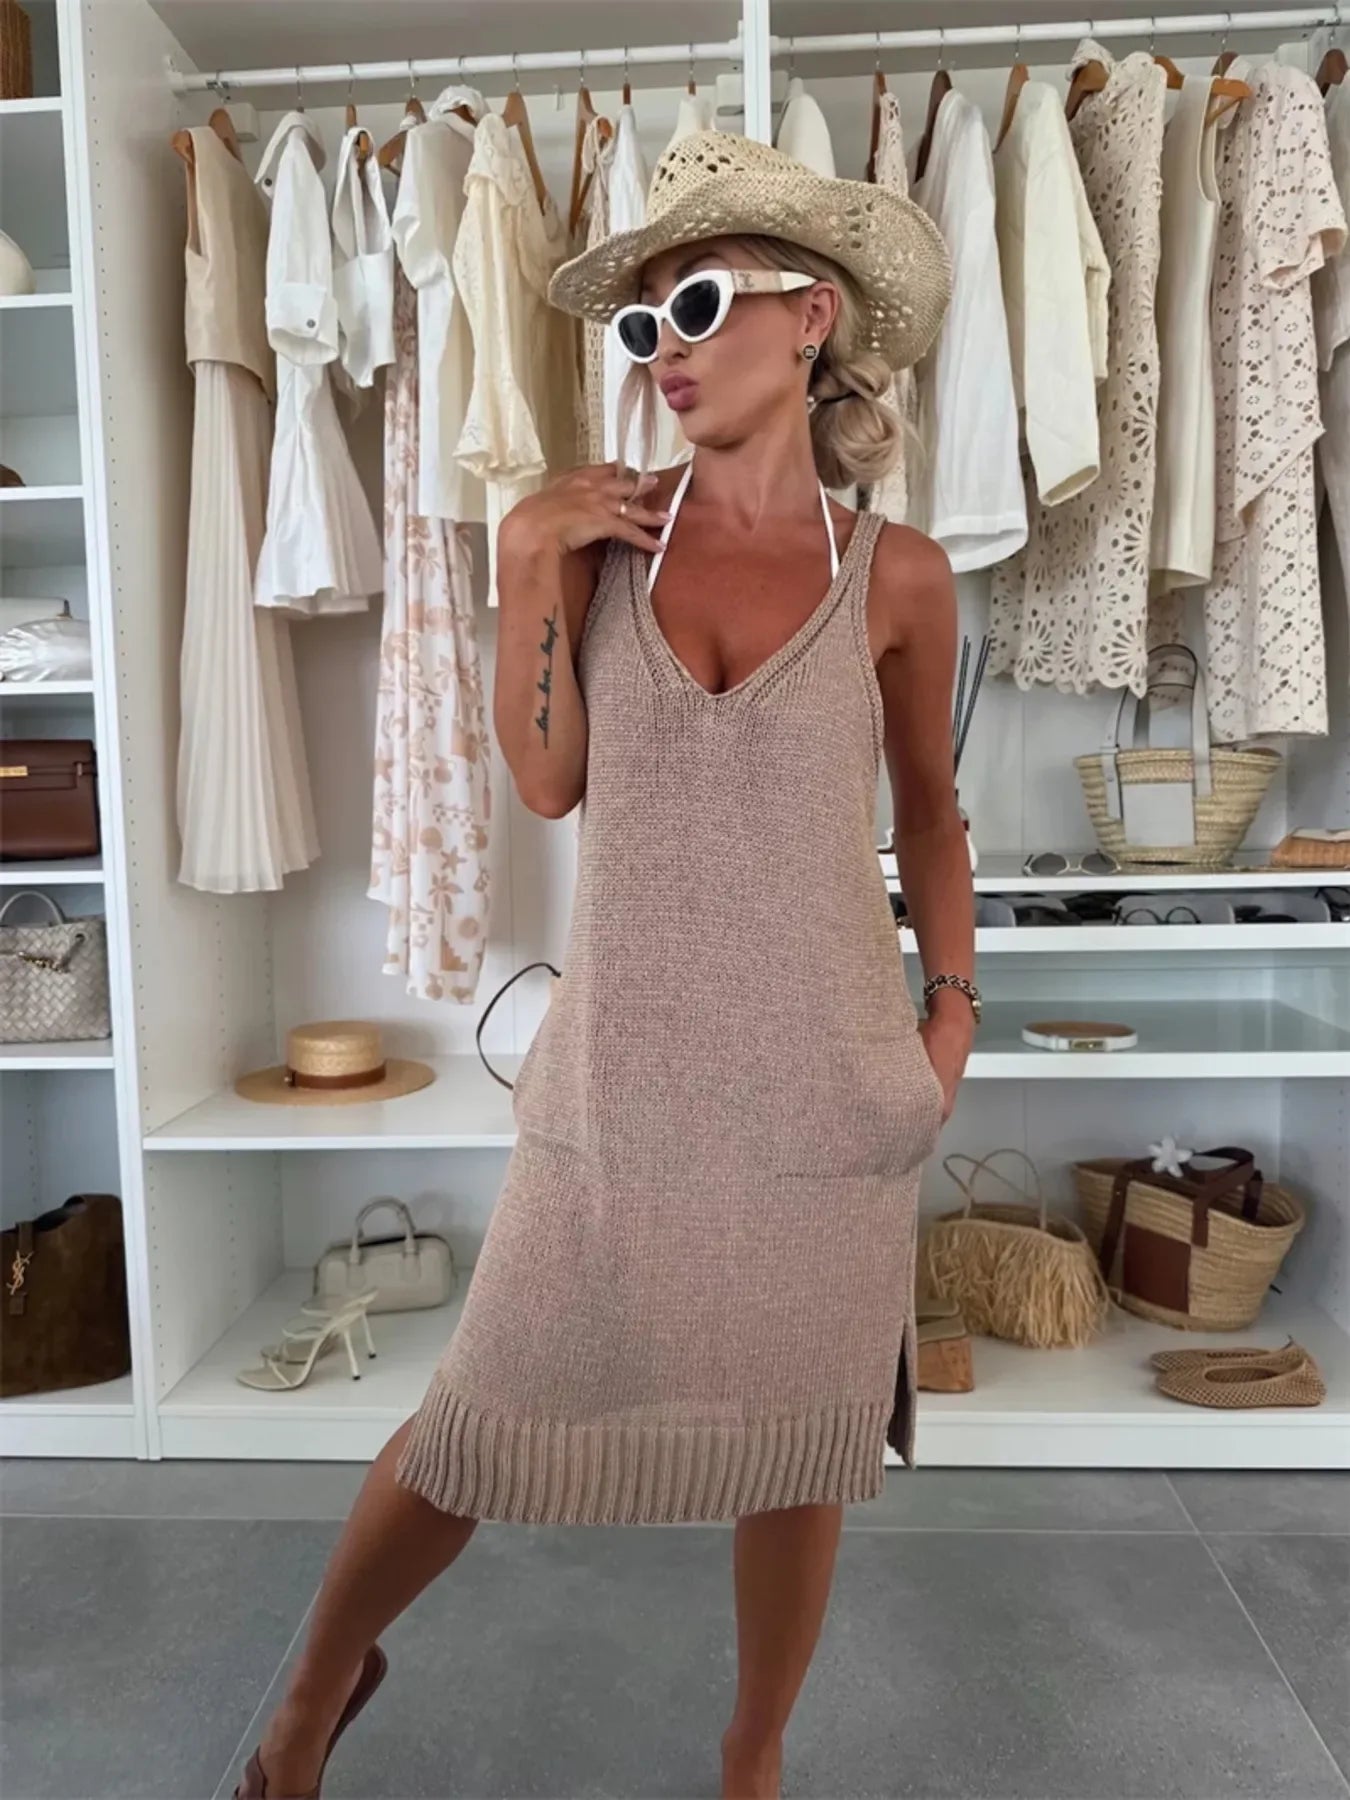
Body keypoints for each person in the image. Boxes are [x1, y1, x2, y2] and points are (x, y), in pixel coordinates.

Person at [235, 130, 976, 1800]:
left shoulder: (897, 577)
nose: (663, 353)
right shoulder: (586, 542)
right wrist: (520, 561)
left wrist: (948, 1023)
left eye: (695, 307)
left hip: (829, 1086)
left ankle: (751, 1755)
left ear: (810, 317)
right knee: (479, 1414)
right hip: (616, 1080)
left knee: (797, 1436)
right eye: (641, 327)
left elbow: (933, 816)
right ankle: (317, 1684)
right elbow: (549, 780)